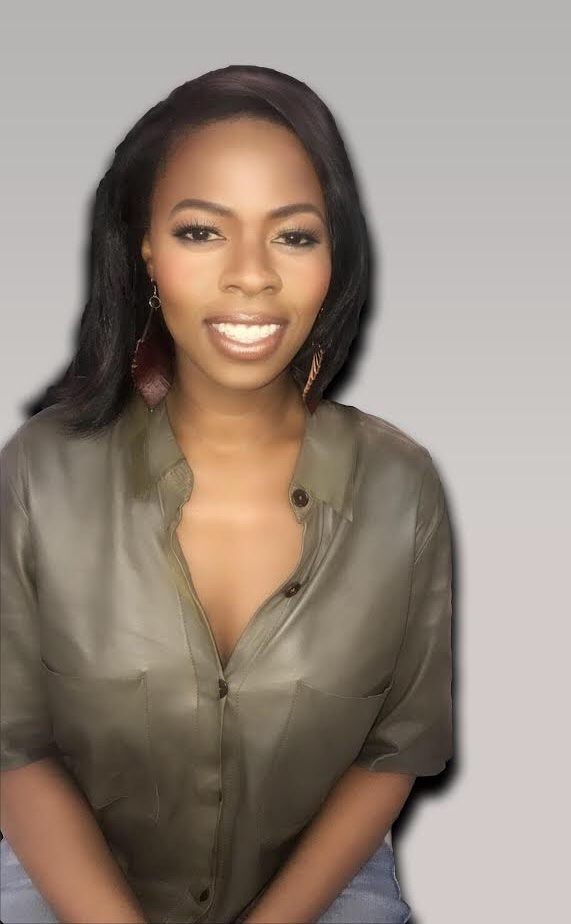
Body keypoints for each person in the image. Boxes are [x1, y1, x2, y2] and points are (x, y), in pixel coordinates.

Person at [0, 64, 453, 924]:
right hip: (73, 878)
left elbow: (393, 750)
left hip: (317, 886)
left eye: (293, 235)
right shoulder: (39, 474)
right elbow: (13, 746)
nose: (252, 277)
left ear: (334, 256)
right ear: (144, 245)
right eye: (203, 232)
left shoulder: (402, 489)